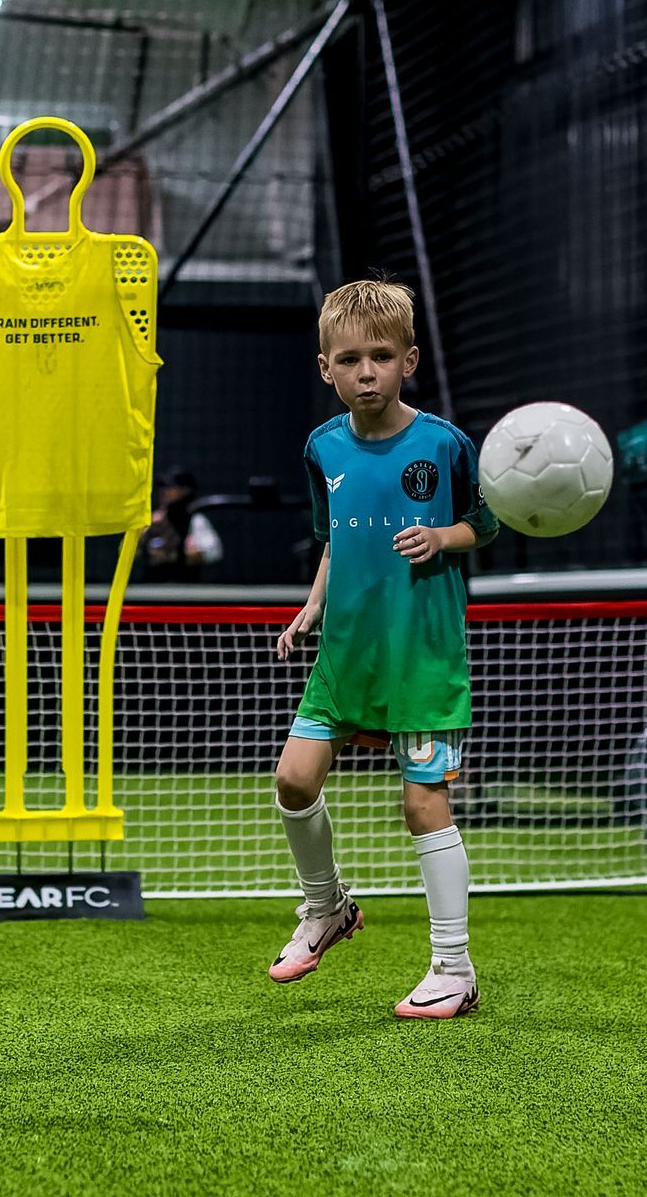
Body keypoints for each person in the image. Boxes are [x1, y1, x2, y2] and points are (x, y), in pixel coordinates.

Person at [270, 278, 499, 1019]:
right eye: (349, 359)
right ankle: (328, 907)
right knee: (294, 781)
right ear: (324, 369)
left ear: (410, 360)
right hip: (346, 650)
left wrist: (443, 537)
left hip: (422, 653)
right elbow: (334, 539)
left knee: (423, 804)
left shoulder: (444, 443)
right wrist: (311, 605)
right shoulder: (321, 446)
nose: (365, 372)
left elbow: (485, 525)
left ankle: (453, 970)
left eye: (380, 356)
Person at [142, 467, 223, 581]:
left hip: (184, 590)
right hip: (150, 588)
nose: (163, 491)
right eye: (162, 486)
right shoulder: (151, 519)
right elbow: (129, 552)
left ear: (185, 491)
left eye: (170, 487)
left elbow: (213, 551)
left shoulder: (195, 520)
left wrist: (171, 555)